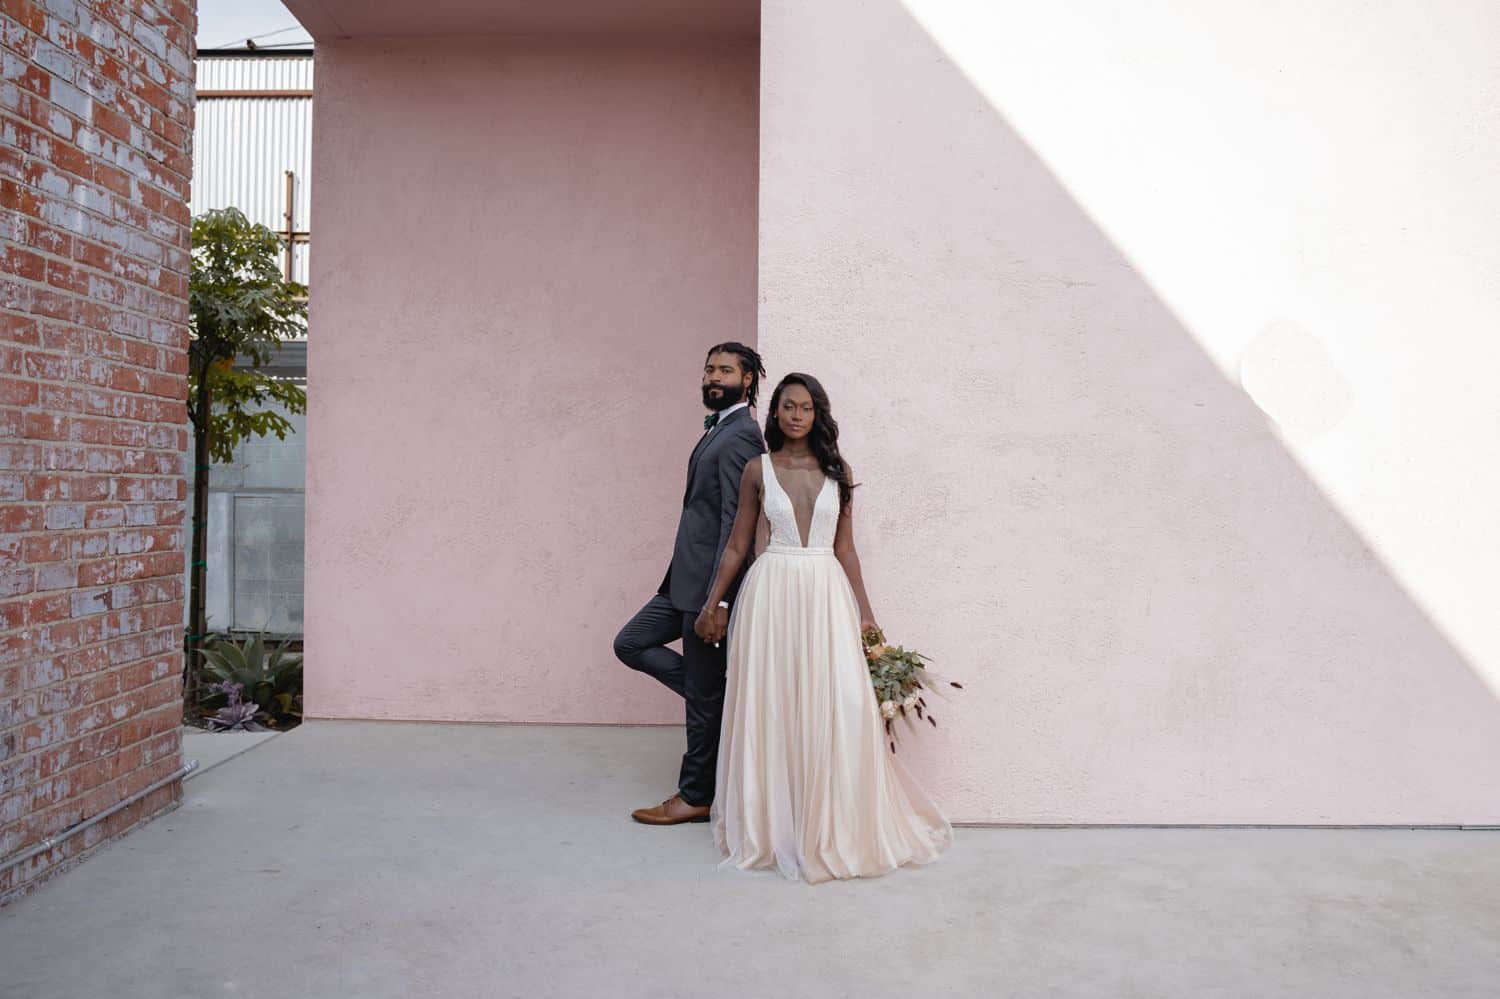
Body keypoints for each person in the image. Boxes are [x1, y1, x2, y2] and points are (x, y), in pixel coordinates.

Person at [694, 373, 953, 882]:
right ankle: (777, 824)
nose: (796, 415)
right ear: (776, 413)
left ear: (818, 415)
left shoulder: (839, 471)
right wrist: (714, 602)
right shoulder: (757, 469)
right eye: (788, 406)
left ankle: (828, 823)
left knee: (835, 702)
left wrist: (867, 613)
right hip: (771, 594)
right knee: (775, 702)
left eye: (806, 408)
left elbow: (846, 548)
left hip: (826, 595)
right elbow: (738, 544)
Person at [613, 343, 767, 825]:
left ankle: (697, 793)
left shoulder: (742, 435)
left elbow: (733, 524)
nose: (713, 376)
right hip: (683, 580)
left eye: (725, 369)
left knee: (702, 696)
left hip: (707, 590)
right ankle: (716, 703)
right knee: (631, 643)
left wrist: (718, 600)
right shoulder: (720, 428)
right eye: (708, 369)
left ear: (747, 380)